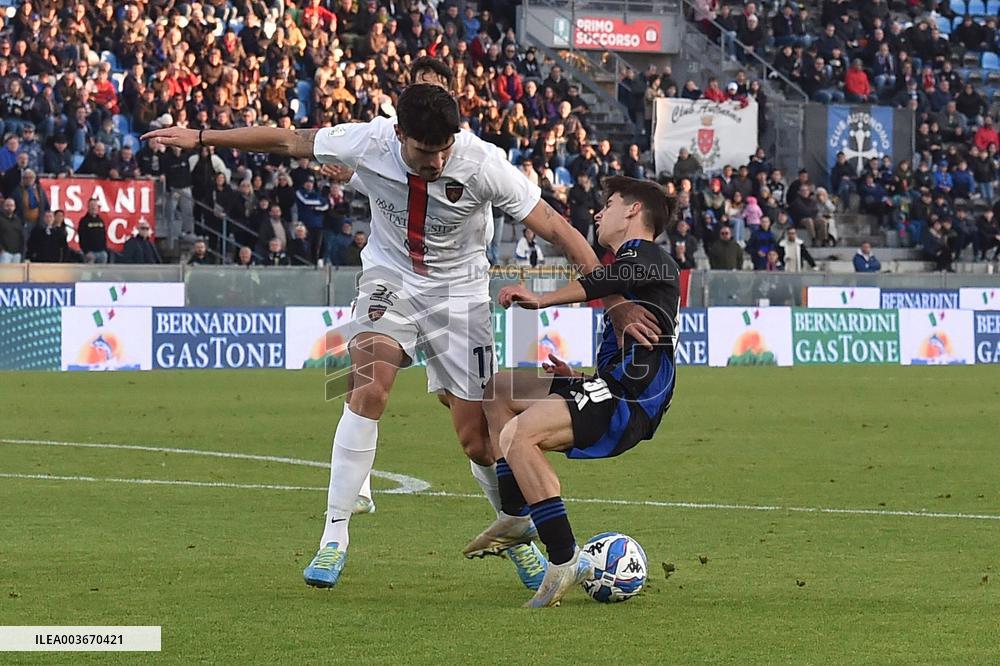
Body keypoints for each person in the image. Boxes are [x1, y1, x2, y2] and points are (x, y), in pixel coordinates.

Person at [143, 84, 658, 592]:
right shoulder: (368, 140)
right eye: (422, 152)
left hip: (461, 297)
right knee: (365, 384)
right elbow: (287, 140)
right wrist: (204, 137)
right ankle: (334, 534)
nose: (433, 163)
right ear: (399, 134)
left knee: (479, 441)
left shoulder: (483, 163)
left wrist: (615, 304)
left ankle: (515, 532)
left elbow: (562, 231)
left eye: (442, 152)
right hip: (388, 280)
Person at [463, 177, 679, 608]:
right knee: (500, 390)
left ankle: (563, 559)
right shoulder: (639, 267)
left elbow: (603, 280)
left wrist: (541, 299)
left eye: (609, 204)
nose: (599, 213)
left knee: (520, 435)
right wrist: (578, 378)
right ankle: (515, 515)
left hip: (626, 402)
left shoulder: (647, 255)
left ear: (633, 211)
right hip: (610, 388)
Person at [77, 198, 109, 264]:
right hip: (90, 253)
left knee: (102, 273)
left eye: (95, 205)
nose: (93, 207)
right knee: (89, 273)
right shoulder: (84, 221)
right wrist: (86, 251)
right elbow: (82, 237)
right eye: (91, 205)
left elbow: (104, 236)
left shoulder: (100, 220)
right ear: (88, 207)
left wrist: (105, 249)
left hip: (101, 252)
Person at [0, 197, 23, 262]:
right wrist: (1, 250)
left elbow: (21, 236)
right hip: (4, 254)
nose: (9, 207)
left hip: (17, 254)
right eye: (7, 205)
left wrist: (21, 251)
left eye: (11, 205)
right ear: (3, 206)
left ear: (14, 207)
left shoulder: (18, 220)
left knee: (16, 272)